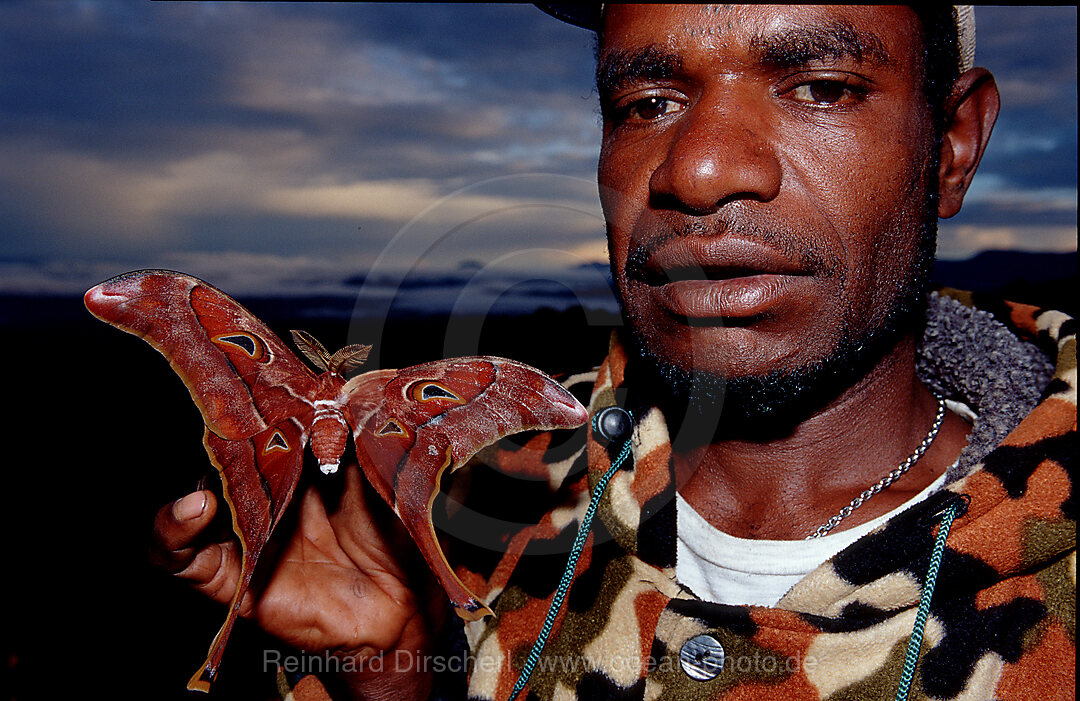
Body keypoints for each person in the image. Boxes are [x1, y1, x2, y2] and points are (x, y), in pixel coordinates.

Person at [152, 6, 1076, 700]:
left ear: (952, 145)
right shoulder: (449, 522)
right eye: (649, 100)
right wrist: (394, 674)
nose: (698, 166)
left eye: (819, 88)